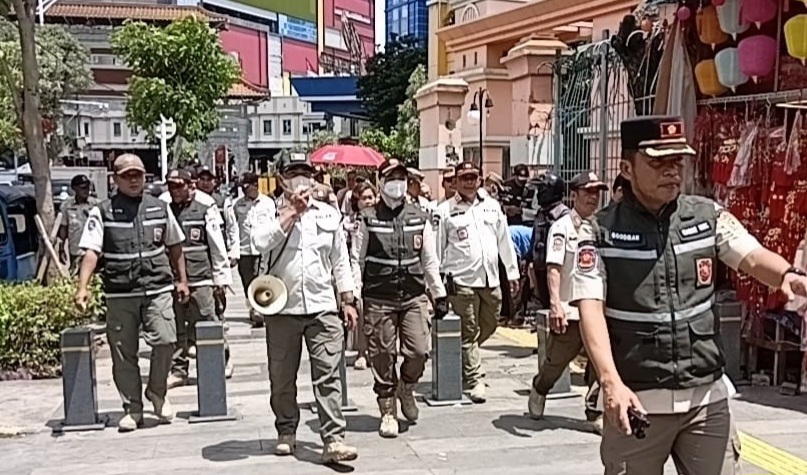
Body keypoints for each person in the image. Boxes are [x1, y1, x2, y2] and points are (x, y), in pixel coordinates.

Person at [571, 115, 807, 475]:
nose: (671, 172)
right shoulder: (599, 232)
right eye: (657, 162)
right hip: (637, 401)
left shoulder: (706, 216)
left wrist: (787, 275)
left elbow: (752, 255)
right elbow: (590, 309)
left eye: (676, 162)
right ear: (627, 168)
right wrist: (610, 383)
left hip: (706, 399)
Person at [252, 153, 360, 463]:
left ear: (313, 178)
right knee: (282, 376)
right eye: (293, 172)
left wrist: (347, 299)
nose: (301, 178)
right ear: (282, 177)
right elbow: (259, 242)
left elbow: (340, 260)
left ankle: (333, 438)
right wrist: (290, 214)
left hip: (322, 305)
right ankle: (286, 430)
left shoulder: (328, 214)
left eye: (305, 173)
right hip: (282, 307)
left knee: (328, 374)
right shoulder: (267, 210)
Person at [74, 154, 189, 432]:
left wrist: (182, 280)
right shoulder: (102, 211)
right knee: (124, 353)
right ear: (116, 180)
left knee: (165, 341)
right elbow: (91, 251)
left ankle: (157, 392)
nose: (134, 179)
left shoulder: (160, 209)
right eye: (127, 175)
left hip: (158, 287)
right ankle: (133, 408)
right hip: (120, 292)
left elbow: (175, 245)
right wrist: (82, 288)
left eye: (138, 174)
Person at [350, 158, 448, 438]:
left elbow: (429, 260)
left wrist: (439, 293)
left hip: (413, 296)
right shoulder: (368, 218)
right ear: (381, 182)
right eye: (391, 178)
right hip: (378, 297)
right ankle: (387, 410)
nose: (397, 183)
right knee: (382, 355)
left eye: (401, 178)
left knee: (418, 351)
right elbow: (356, 260)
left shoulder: (419, 216)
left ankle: (406, 387)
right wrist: (354, 295)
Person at [434, 161, 520, 403]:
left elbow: (505, 242)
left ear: (479, 179)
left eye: (473, 177)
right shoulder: (444, 211)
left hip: (490, 278)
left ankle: (464, 355)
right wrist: (437, 285)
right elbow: (438, 248)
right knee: (469, 329)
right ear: (456, 181)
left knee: (492, 322)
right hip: (460, 280)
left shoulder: (492, 207)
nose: (469, 182)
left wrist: (512, 273)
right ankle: (475, 379)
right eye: (464, 178)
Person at [527, 171, 606, 433]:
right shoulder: (562, 227)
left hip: (597, 309)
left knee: (600, 361)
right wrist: (555, 304)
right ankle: (540, 388)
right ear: (574, 195)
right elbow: (553, 268)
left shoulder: (602, 227)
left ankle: (594, 411)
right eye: (587, 193)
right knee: (557, 362)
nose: (593, 198)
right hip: (571, 307)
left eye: (596, 193)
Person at [162, 168, 233, 388]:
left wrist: (220, 279)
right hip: (174, 279)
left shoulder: (205, 208)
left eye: (178, 185)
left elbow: (217, 245)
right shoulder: (164, 209)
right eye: (171, 186)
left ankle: (220, 362)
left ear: (190, 185)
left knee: (208, 321)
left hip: (201, 277)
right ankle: (179, 370)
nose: (174, 190)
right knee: (175, 327)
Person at [232, 171, 276, 327]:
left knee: (260, 279)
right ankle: (252, 306)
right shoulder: (237, 205)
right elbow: (234, 229)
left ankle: (259, 310)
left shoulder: (268, 203)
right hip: (244, 250)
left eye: (246, 187)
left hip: (262, 249)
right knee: (247, 281)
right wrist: (233, 251)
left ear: (255, 185)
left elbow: (273, 226)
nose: (244, 191)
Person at [343, 182, 378, 371]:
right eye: (364, 198)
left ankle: (376, 352)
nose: (368, 201)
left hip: (378, 273)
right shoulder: (353, 221)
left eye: (370, 197)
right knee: (362, 314)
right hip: (358, 271)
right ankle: (362, 352)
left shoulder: (381, 217)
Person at [196, 165, 238, 319]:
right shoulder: (192, 201)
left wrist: (233, 252)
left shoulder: (222, 201)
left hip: (220, 251)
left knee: (220, 287)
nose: (206, 183)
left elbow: (232, 227)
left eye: (209, 179)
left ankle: (220, 313)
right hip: (201, 253)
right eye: (202, 179)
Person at [529, 172, 569, 309]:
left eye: (541, 190)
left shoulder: (563, 215)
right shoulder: (541, 212)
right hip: (540, 268)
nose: (539, 193)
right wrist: (528, 257)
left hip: (555, 270)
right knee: (544, 306)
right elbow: (535, 237)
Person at [58, 174, 98, 272]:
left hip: (93, 251)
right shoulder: (66, 206)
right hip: (76, 251)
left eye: (88, 187)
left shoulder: (96, 204)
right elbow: (64, 228)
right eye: (83, 188)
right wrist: (61, 248)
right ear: (74, 189)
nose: (86, 191)